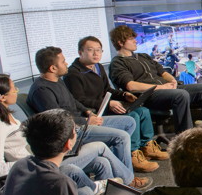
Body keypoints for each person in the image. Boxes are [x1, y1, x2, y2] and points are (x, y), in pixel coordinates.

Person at [0, 73, 140, 195]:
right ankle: (127, 184)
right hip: (38, 169)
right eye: (13, 89)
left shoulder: (5, 116)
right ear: (1, 97)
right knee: (99, 146)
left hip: (42, 159)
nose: (16, 91)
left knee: (101, 162)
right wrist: (27, 163)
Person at [27, 47, 147, 184]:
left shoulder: (57, 80)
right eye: (63, 61)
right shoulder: (42, 90)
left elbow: (72, 101)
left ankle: (119, 168)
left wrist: (87, 111)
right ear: (53, 68)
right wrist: (86, 120)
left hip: (82, 122)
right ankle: (128, 180)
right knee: (121, 137)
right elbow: (58, 121)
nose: (66, 63)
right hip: (74, 129)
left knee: (129, 122)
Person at [64, 35, 168, 173]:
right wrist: (108, 103)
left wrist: (123, 95)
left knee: (143, 111)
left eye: (99, 50)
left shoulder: (98, 67)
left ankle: (147, 146)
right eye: (90, 50)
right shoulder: (73, 74)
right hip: (95, 112)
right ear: (80, 52)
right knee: (133, 117)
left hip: (107, 105)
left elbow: (107, 90)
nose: (96, 54)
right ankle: (133, 153)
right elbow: (79, 100)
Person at [108, 25, 202, 138]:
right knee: (181, 95)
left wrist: (172, 80)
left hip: (166, 89)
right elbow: (130, 86)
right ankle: (186, 138)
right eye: (131, 39)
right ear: (120, 42)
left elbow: (162, 72)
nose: (135, 41)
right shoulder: (118, 63)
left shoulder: (143, 56)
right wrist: (161, 87)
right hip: (147, 95)